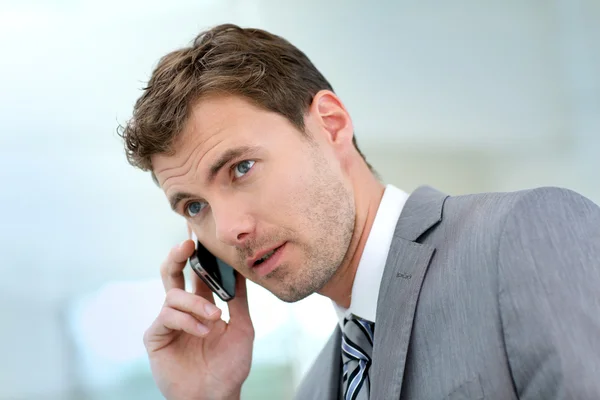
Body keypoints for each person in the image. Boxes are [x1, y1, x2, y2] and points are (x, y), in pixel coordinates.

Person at [117, 23, 600, 400]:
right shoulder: (315, 389)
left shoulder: (520, 237)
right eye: (195, 206)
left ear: (330, 124)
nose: (230, 230)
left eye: (242, 168)